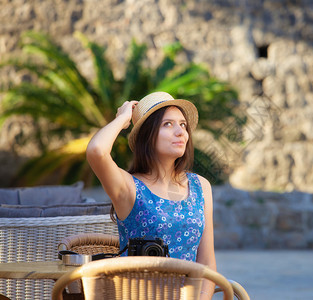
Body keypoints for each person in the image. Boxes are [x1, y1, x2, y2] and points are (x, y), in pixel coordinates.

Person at [86, 91, 216, 299]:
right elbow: (96, 150)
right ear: (147, 135)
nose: (180, 132)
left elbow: (207, 264)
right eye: (168, 124)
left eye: (183, 125)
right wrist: (122, 119)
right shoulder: (128, 187)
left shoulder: (201, 186)